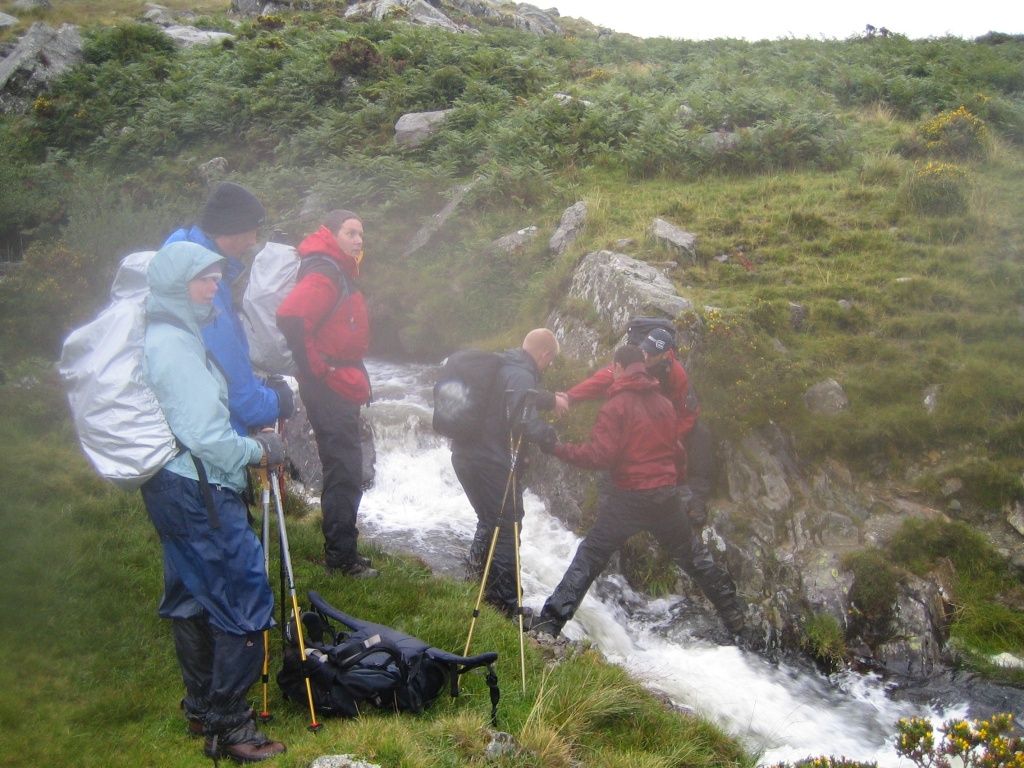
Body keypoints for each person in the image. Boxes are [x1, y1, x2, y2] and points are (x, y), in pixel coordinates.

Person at [141, 240, 286, 763]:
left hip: (170, 486)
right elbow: (207, 434)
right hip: (200, 486)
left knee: (190, 594)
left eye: (216, 278)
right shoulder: (177, 347)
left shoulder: (166, 334)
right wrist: (260, 448)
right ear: (177, 285)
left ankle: (202, 705)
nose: (214, 288)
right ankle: (232, 727)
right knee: (243, 595)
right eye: (204, 279)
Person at [529, 345, 745, 639]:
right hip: (665, 499)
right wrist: (676, 485)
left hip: (628, 499)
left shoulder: (615, 406)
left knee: (590, 557)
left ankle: (548, 624)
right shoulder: (664, 404)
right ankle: (737, 622)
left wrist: (557, 448)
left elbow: (600, 457)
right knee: (695, 558)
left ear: (618, 367)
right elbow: (678, 452)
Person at [276, 210, 374, 578]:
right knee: (345, 469)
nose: (358, 239)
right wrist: (318, 370)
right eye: (350, 232)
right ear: (331, 235)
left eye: (361, 233)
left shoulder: (334, 268)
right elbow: (290, 317)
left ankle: (345, 549)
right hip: (331, 387)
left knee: (344, 468)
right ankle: (341, 558)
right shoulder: (326, 271)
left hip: (338, 383)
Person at [450, 328, 564, 618]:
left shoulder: (505, 365)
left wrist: (550, 400)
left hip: (465, 457)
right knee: (508, 525)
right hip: (489, 462)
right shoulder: (521, 374)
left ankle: (477, 579)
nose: (548, 366)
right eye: (550, 361)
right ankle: (504, 604)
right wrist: (552, 438)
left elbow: (521, 396)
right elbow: (524, 420)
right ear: (545, 354)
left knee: (490, 520)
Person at [164, 181, 293, 435]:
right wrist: (277, 401)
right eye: (251, 231)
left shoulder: (186, 260)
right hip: (207, 446)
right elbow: (234, 390)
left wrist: (259, 384)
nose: (254, 240)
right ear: (231, 229)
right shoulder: (202, 285)